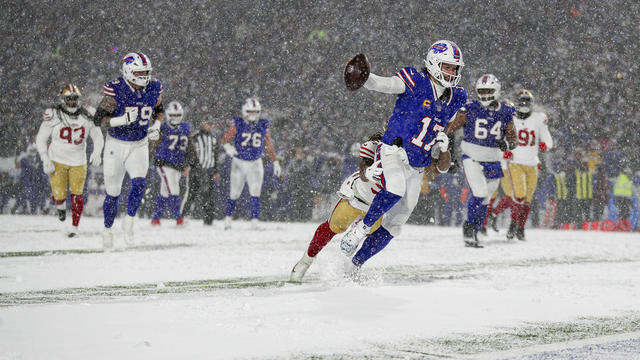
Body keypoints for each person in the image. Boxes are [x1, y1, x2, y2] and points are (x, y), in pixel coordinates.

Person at [339, 40, 462, 264]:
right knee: (395, 188)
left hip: (417, 164)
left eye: (454, 68)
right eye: (447, 66)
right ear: (434, 63)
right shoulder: (416, 80)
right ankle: (361, 227)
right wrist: (365, 78)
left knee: (395, 224)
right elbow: (385, 85)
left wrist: (441, 145)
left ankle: (356, 264)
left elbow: (445, 123)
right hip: (394, 149)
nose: (451, 72)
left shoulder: (456, 97)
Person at [290, 131, 451, 282]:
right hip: (358, 197)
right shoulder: (382, 143)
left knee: (375, 236)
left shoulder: (418, 150)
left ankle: (353, 266)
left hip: (377, 207)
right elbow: (364, 167)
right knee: (333, 226)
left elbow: (438, 169)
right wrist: (367, 173)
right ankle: (305, 261)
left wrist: (444, 150)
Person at [92, 52, 164, 248]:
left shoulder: (154, 87)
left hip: (139, 143)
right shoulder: (116, 89)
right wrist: (121, 120)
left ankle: (129, 221)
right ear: (128, 71)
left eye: (146, 72)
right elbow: (98, 119)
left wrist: (156, 127)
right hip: (116, 143)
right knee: (113, 193)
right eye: (140, 72)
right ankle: (107, 229)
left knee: (140, 182)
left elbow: (159, 111)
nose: (144, 76)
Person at [445, 74, 517, 247]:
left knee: (486, 199)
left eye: (489, 91)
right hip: (472, 157)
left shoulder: (505, 111)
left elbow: (513, 139)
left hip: (493, 160)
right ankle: (468, 228)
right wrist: (450, 155)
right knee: (479, 193)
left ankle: (475, 231)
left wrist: (506, 144)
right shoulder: (469, 108)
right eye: (482, 91)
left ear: (496, 91)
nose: (485, 94)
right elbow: (450, 129)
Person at [35, 84, 103, 237]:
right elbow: (41, 138)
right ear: (62, 100)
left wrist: (98, 152)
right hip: (57, 159)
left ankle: (75, 226)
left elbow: (97, 136)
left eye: (74, 99)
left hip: (78, 161)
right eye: (69, 99)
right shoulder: (53, 114)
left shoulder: (88, 114)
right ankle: (60, 207)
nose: (72, 102)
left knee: (77, 195)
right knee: (59, 195)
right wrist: (45, 158)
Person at [221, 97, 282, 230]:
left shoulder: (263, 124)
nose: (252, 114)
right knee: (234, 193)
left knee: (255, 192)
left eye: (255, 111)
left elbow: (268, 144)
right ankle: (227, 221)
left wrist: (275, 161)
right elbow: (225, 139)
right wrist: (227, 147)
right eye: (250, 111)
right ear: (244, 111)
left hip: (255, 162)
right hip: (239, 161)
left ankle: (254, 222)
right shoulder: (237, 123)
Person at [502, 90, 553, 240]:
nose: (524, 104)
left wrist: (545, 145)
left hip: (532, 162)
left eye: (526, 101)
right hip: (516, 162)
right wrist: (506, 149)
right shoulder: (510, 118)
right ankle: (513, 224)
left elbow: (548, 139)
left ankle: (520, 228)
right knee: (520, 195)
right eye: (521, 101)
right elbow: (503, 137)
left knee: (527, 199)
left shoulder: (538, 119)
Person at [150, 101, 191, 226]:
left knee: (164, 191)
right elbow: (153, 143)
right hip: (164, 163)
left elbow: (189, 147)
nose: (175, 118)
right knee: (173, 189)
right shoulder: (163, 127)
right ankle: (178, 219)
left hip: (177, 165)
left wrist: (187, 164)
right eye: (172, 115)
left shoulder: (185, 127)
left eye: (177, 115)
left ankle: (156, 218)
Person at [182, 120, 220, 225]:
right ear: (202, 124)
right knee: (192, 194)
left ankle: (209, 220)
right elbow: (189, 153)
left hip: (209, 170)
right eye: (208, 123)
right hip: (197, 169)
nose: (209, 126)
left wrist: (216, 170)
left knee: (210, 196)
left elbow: (215, 154)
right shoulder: (195, 137)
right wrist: (187, 166)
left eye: (211, 124)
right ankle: (183, 217)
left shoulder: (214, 138)